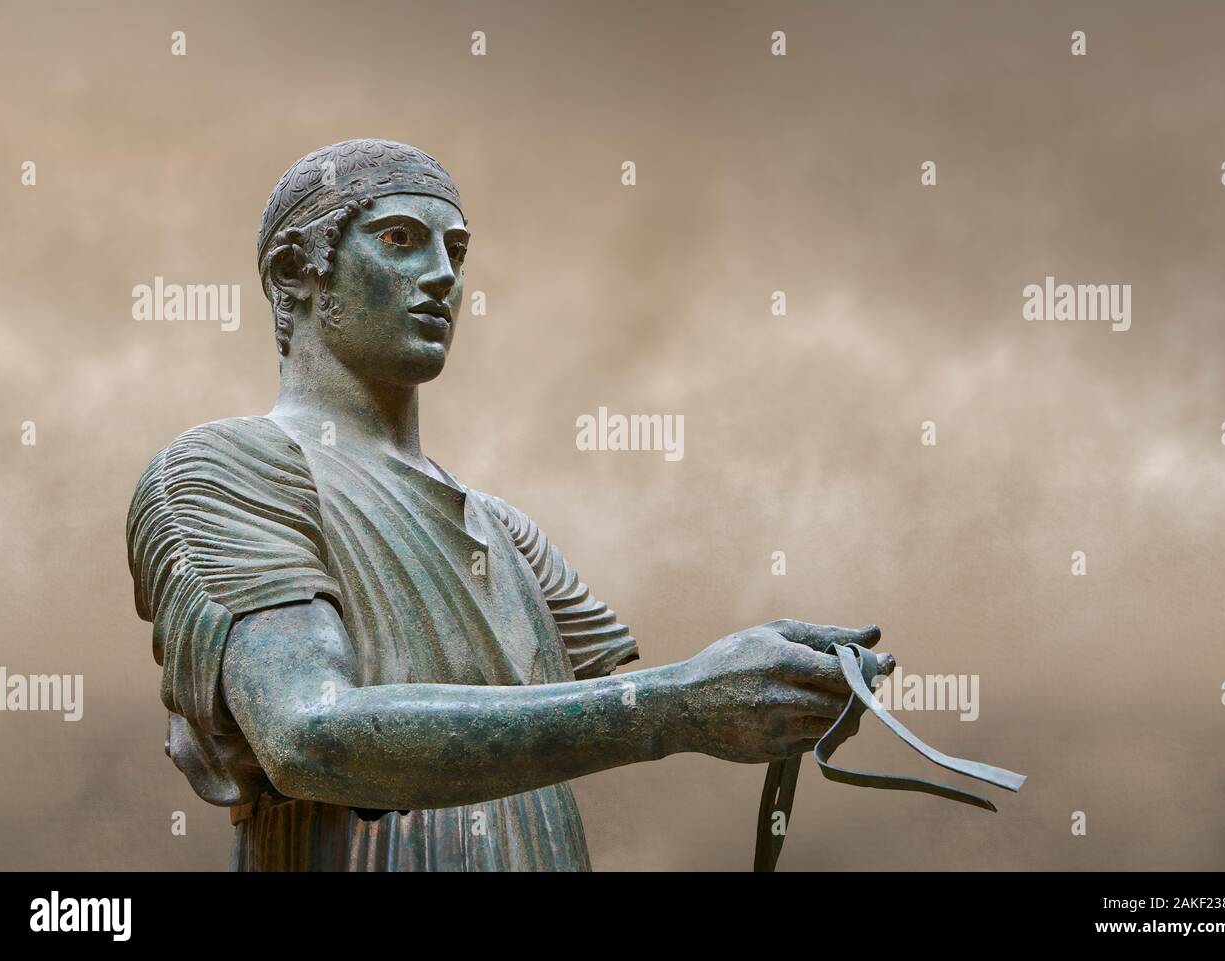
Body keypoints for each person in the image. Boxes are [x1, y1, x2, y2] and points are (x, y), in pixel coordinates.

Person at [127, 139, 885, 871]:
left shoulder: (506, 531)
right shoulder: (228, 467)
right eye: (399, 238)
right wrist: (680, 703)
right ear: (295, 271)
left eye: (454, 252)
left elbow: (590, 717)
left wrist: (770, 684)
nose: (441, 276)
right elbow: (307, 734)